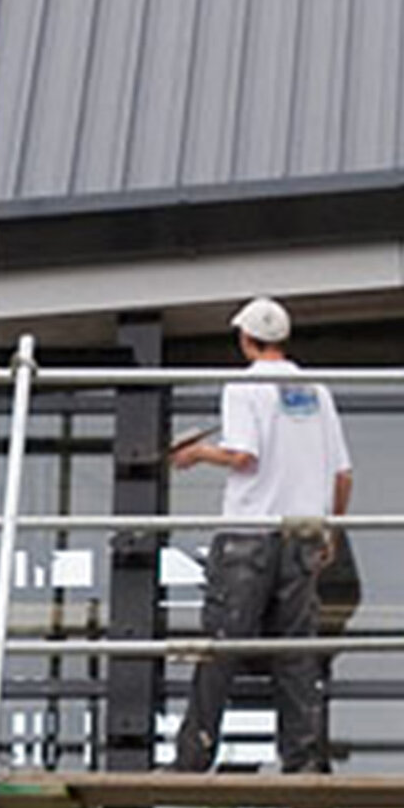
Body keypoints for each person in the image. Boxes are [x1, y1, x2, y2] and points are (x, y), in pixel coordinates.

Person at [168, 296, 351, 772]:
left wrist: (198, 454)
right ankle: (302, 760)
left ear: (247, 340)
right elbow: (343, 475)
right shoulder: (316, 390)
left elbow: (244, 456)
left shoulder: (243, 388)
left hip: (250, 534)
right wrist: (329, 528)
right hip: (303, 532)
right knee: (294, 653)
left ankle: (192, 758)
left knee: (223, 647)